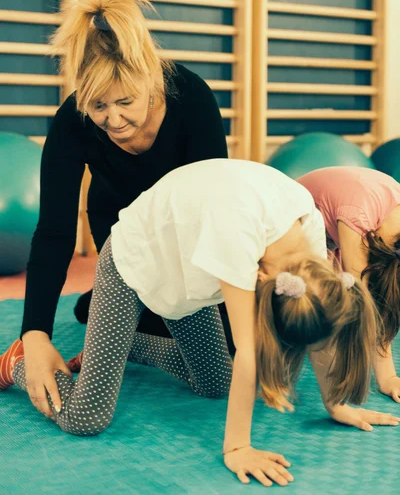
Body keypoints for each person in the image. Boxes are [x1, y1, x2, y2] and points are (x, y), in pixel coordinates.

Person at [2, 160, 397, 487]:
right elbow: (249, 351)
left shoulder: (309, 236)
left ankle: (128, 345)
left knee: (216, 384)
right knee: (85, 418)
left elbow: (321, 330)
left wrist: (335, 404)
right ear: (263, 283)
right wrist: (237, 448)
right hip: (133, 265)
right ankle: (15, 363)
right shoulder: (239, 240)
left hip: (190, 276)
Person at [18, 0, 228, 420]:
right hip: (121, 232)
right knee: (143, 311)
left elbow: (213, 211)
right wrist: (34, 335)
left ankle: (108, 314)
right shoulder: (71, 122)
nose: (113, 120)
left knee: (228, 348)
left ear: (151, 78)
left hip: (183, 238)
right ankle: (106, 309)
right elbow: (54, 232)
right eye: (98, 106)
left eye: (126, 103)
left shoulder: (192, 99)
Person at [297, 166, 400, 404]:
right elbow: (363, 300)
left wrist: (389, 376)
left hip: (328, 229)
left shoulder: (390, 215)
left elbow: (385, 304)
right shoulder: (358, 216)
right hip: (288, 227)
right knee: (342, 304)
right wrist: (388, 376)